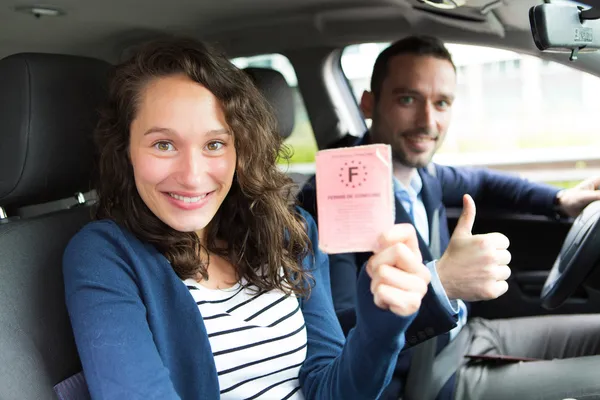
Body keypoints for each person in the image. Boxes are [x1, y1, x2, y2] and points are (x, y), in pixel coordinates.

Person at [62, 36, 436, 400]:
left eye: (214, 144)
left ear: (241, 148)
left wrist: (379, 329)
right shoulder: (105, 256)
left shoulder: (291, 231)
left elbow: (330, 388)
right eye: (164, 144)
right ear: (125, 149)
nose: (192, 175)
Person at [298, 35, 600, 400]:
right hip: (419, 379)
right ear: (369, 103)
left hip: (466, 336)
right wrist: (439, 283)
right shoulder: (341, 189)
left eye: (441, 103)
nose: (428, 121)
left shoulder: (424, 174)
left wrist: (560, 199)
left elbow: (486, 183)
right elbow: (339, 328)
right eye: (407, 99)